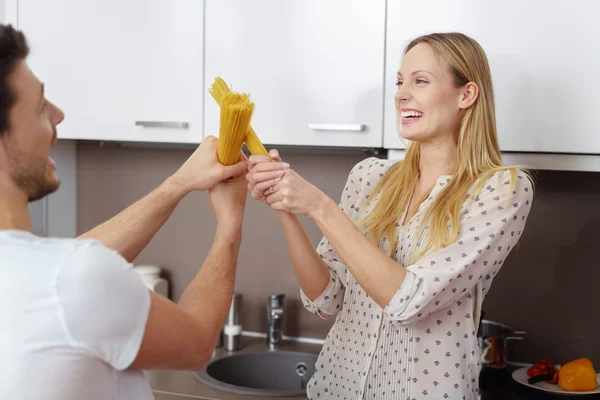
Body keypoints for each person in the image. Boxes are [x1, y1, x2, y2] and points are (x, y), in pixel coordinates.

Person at [247, 32, 534, 399]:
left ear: (467, 94)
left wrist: (320, 206)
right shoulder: (370, 177)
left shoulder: (500, 191)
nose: (401, 94)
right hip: (336, 389)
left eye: (420, 81)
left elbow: (409, 300)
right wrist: (286, 207)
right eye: (400, 82)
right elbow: (326, 298)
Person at [0, 24, 248, 400]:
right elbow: (197, 342)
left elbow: (69, 267)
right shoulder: (72, 279)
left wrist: (178, 184)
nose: (58, 114)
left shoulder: (45, 273)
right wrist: (229, 224)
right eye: (39, 107)